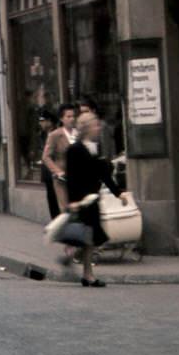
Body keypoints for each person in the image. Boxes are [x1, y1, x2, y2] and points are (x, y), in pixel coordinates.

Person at [63, 113, 128, 287]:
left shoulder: (94, 148)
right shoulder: (74, 150)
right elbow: (72, 178)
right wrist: (73, 202)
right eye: (95, 125)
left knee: (89, 238)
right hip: (82, 200)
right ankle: (81, 267)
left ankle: (83, 268)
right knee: (87, 237)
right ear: (86, 128)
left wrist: (118, 193)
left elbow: (103, 174)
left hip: (92, 199)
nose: (98, 128)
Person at [41, 103, 79, 217]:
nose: (72, 119)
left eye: (73, 116)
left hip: (78, 176)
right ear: (61, 118)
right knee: (66, 209)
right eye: (68, 116)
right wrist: (57, 171)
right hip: (62, 178)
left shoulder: (79, 133)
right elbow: (46, 157)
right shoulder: (55, 135)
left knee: (79, 207)